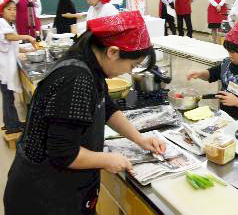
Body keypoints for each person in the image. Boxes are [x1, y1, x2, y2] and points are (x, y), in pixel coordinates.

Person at [4, 11, 166, 215]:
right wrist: (107, 159)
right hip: (43, 197)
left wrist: (140, 139)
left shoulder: (91, 65)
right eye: (131, 66)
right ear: (113, 52)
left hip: (63, 190)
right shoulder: (76, 79)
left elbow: (106, 108)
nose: (127, 72)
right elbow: (63, 153)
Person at [187, 22, 238, 129]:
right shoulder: (227, 63)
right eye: (228, 52)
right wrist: (200, 74)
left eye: (233, 52)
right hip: (226, 119)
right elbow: (211, 74)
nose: (229, 55)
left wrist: (237, 102)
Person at [0, 0, 36, 134]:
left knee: (8, 97)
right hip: (4, 68)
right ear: (2, 11)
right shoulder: (1, 22)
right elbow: (9, 38)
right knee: (8, 97)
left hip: (7, 66)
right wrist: (27, 37)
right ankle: (12, 127)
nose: (13, 12)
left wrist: (27, 50)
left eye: (14, 9)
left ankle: (9, 122)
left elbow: (12, 46)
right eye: (9, 9)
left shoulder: (9, 25)